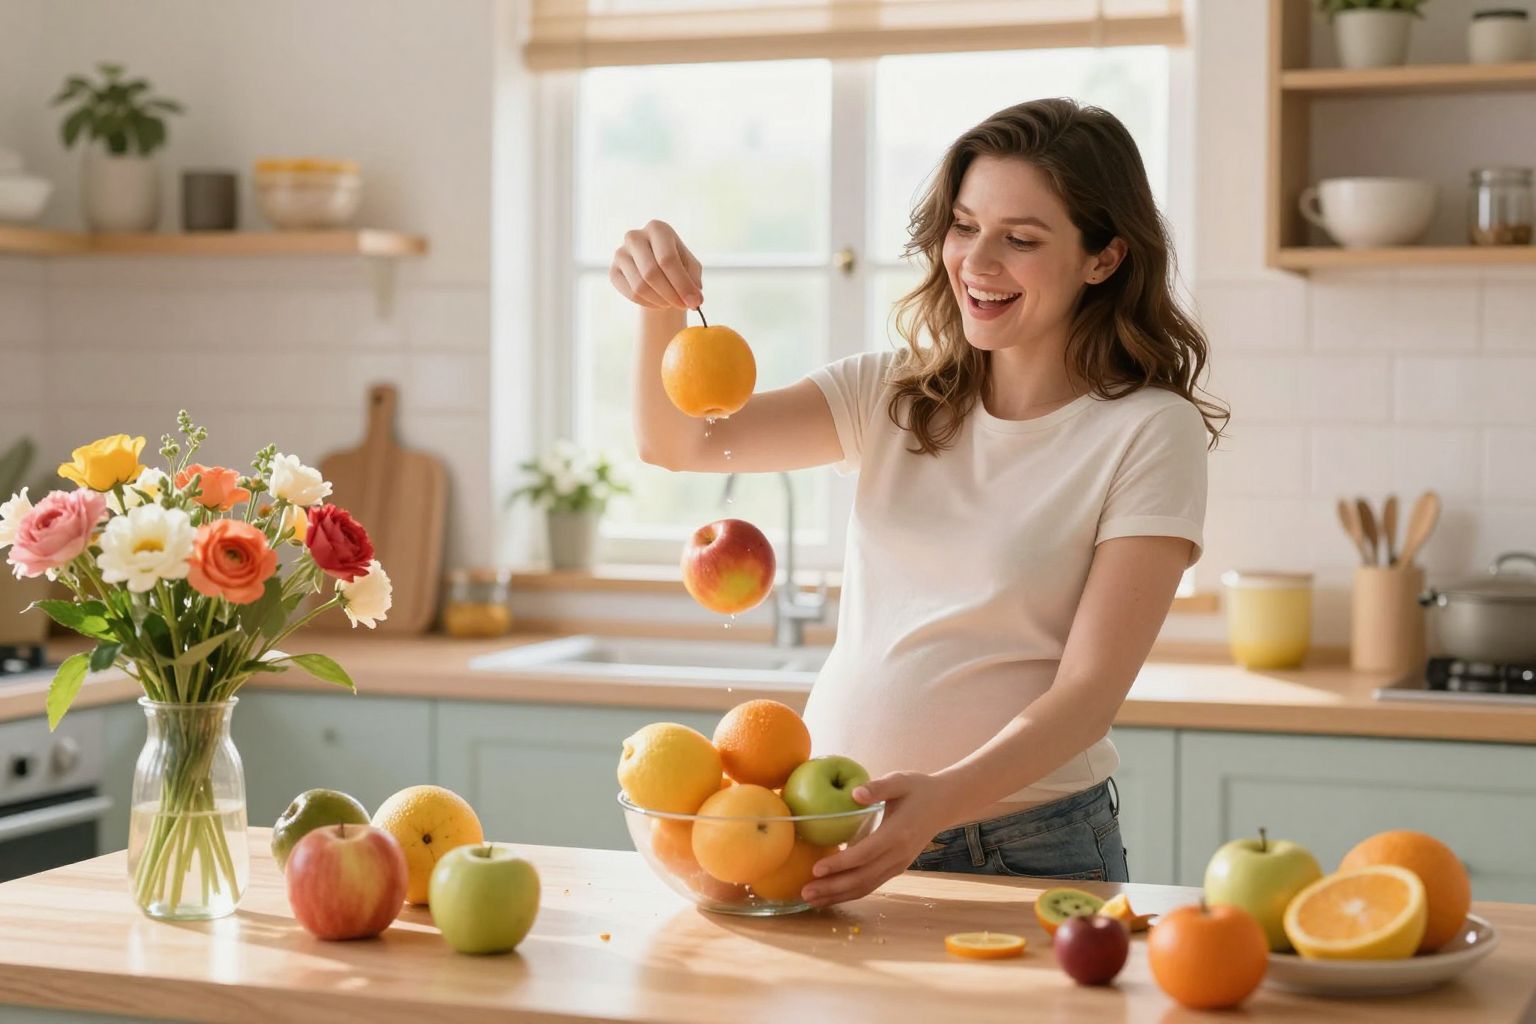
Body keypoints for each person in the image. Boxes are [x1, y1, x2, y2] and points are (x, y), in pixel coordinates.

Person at [608, 97, 1227, 908]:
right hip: (827, 831)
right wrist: (661, 308)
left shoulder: (1148, 431)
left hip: (1020, 848)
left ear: (1104, 259)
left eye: (1022, 239)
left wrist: (943, 800)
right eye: (964, 226)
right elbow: (683, 444)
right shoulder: (894, 393)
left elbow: (1087, 697)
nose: (977, 261)